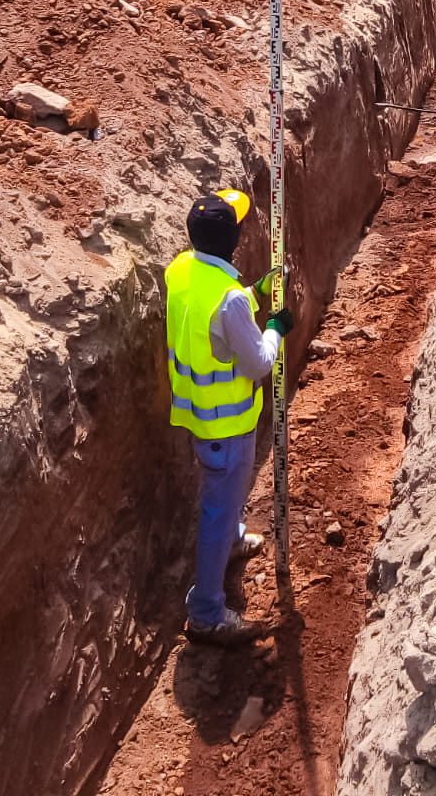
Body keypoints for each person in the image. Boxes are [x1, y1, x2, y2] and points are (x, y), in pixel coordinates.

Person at [165, 189, 294, 645]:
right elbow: (258, 362)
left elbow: (214, 316)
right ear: (236, 240)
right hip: (227, 424)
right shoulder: (230, 302)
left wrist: (253, 292)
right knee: (217, 511)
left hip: (197, 413)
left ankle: (233, 539)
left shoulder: (182, 269)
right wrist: (276, 328)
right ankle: (205, 613)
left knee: (225, 503)